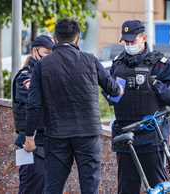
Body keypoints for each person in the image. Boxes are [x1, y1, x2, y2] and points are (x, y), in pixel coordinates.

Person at [23, 18, 123, 194]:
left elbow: (32, 104)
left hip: (57, 135)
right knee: (89, 187)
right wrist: (119, 88)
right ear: (77, 39)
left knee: (53, 186)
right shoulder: (91, 60)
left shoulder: (42, 65)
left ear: (54, 39)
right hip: (88, 134)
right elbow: (113, 90)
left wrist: (29, 137)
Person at [109, 20, 170, 193]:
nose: (129, 45)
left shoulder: (161, 64)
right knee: (126, 187)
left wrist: (154, 84)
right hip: (125, 134)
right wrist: (113, 92)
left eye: (132, 41)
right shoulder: (118, 63)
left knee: (158, 186)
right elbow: (110, 95)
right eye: (126, 42)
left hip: (152, 136)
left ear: (144, 38)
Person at [12, 35, 54, 194]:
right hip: (32, 145)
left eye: (52, 53)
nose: (50, 56)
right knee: (31, 188)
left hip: (47, 143)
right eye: (46, 52)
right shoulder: (26, 76)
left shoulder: (45, 74)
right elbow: (34, 101)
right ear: (34, 51)